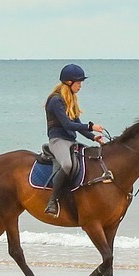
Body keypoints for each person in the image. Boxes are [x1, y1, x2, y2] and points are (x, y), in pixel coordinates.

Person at [44, 64, 105, 216]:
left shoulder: (70, 99)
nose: (80, 86)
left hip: (71, 141)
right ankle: (53, 201)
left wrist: (93, 137)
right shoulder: (55, 101)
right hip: (58, 140)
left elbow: (76, 124)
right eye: (79, 83)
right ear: (69, 82)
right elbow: (66, 124)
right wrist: (91, 127)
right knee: (67, 165)